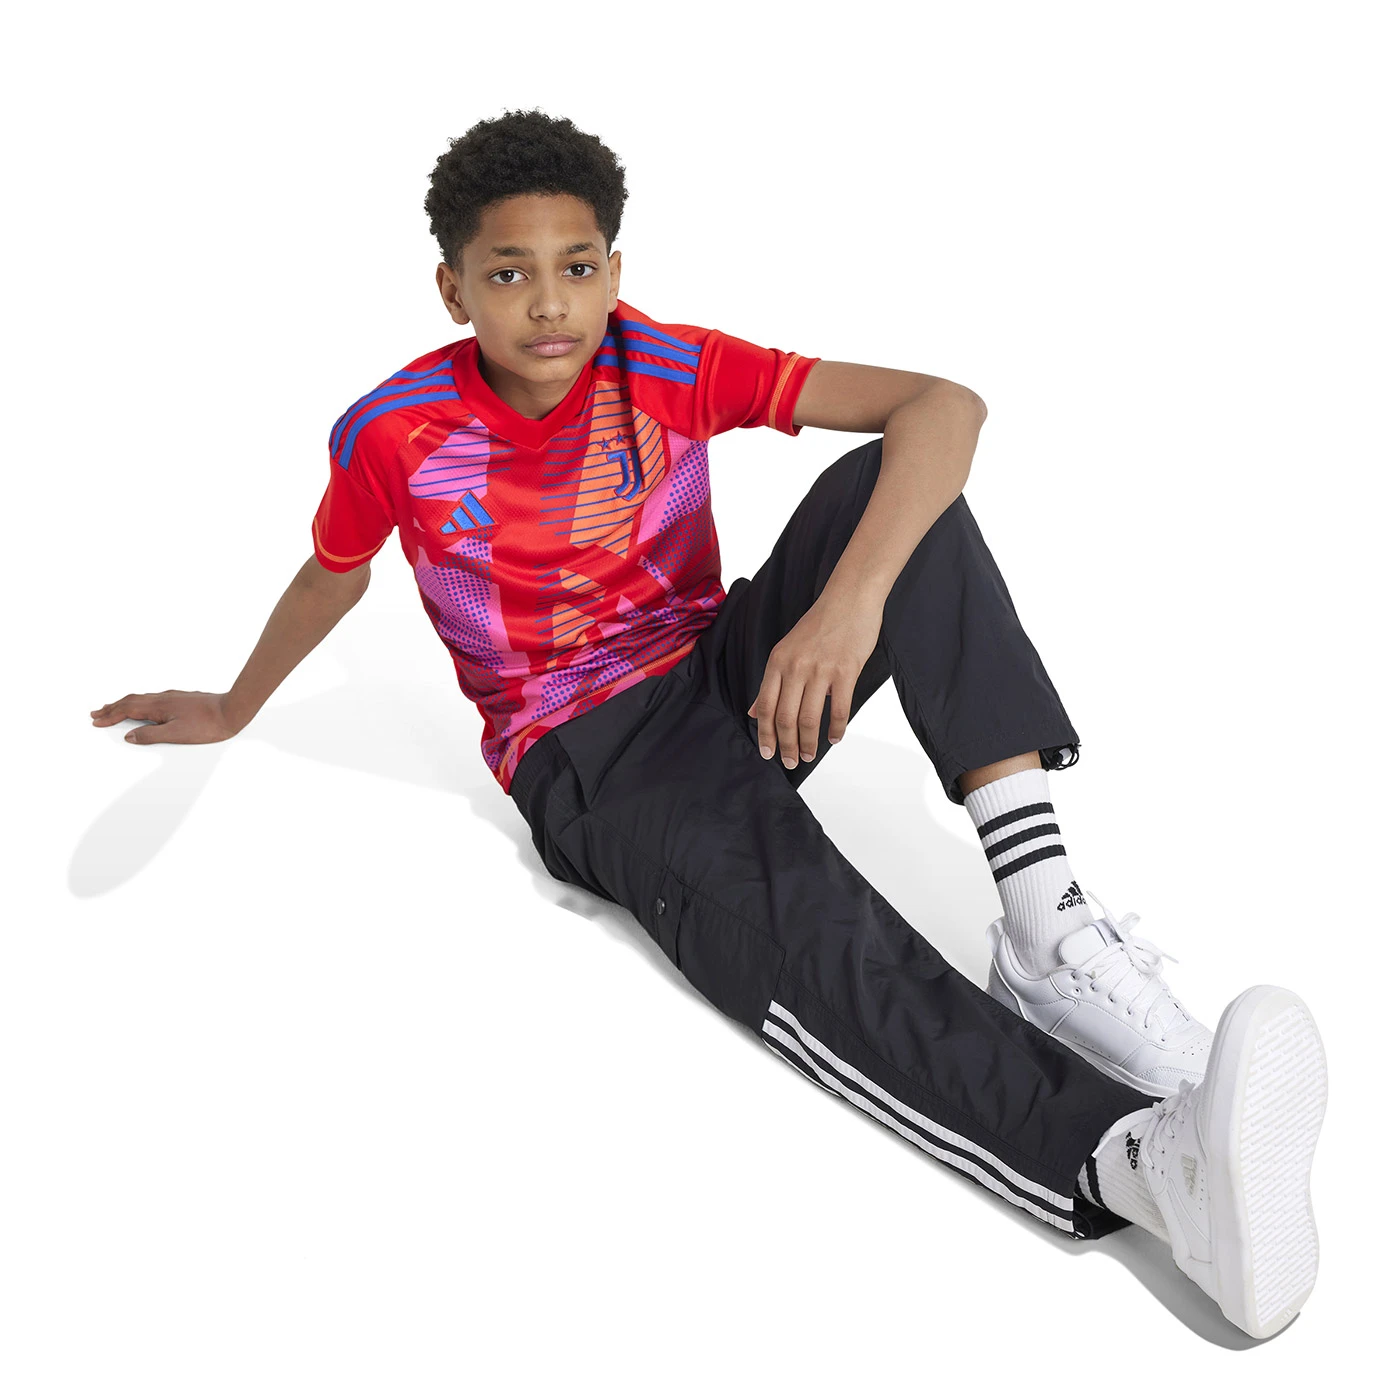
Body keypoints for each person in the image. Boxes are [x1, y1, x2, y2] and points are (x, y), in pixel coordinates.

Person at [88, 108, 1327, 1341]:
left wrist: (845, 605)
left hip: (727, 672)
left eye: (577, 267)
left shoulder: (659, 361)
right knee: (822, 929)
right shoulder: (394, 431)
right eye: (507, 275)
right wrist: (236, 704)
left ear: (613, 270)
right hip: (593, 758)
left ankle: (1044, 920)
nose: (550, 303)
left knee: (894, 495)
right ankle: (1132, 1164)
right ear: (452, 288)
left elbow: (942, 406)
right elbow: (333, 573)